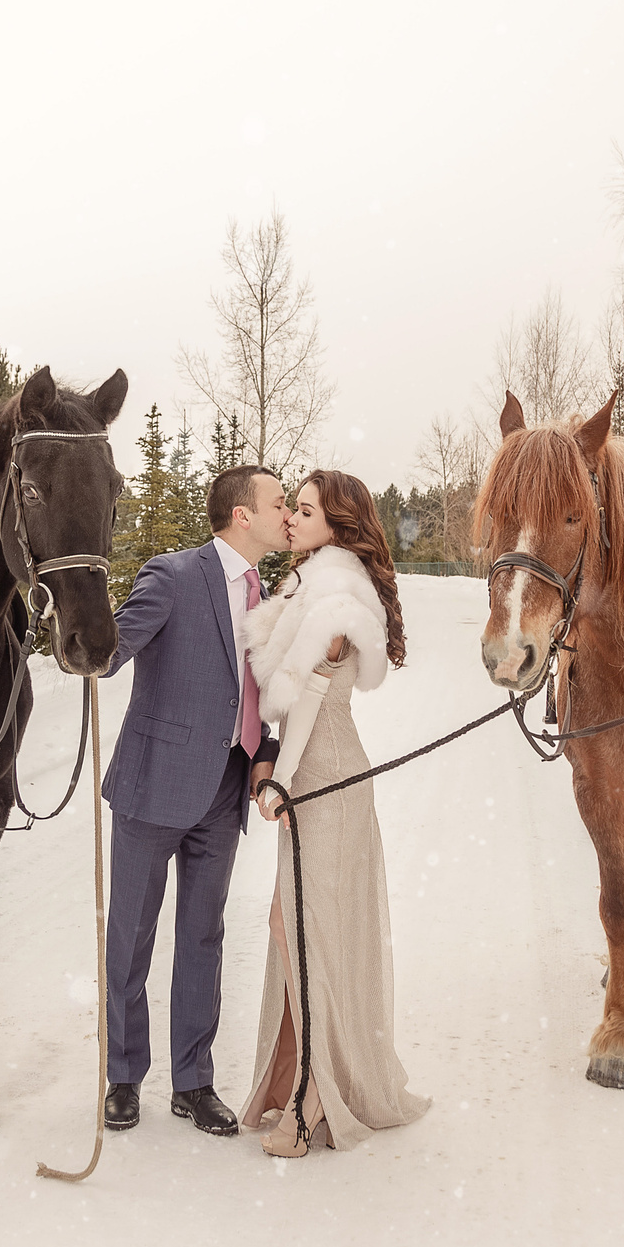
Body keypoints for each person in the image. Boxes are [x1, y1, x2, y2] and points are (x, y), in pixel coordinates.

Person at [240, 469, 431, 1158]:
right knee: (296, 927)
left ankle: (313, 1094)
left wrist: (282, 782)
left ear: (338, 525)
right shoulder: (310, 584)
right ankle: (304, 1075)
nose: (291, 517)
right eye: (292, 506)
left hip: (326, 781)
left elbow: (313, 697)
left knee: (309, 931)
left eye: (306, 510)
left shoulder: (335, 594)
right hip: (313, 779)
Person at [97, 463, 290, 1137]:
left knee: (204, 936)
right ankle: (124, 1077)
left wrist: (263, 756)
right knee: (131, 935)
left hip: (225, 787)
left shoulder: (267, 595)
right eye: (278, 502)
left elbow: (257, 691)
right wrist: (77, 618)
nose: (286, 513)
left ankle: (193, 1081)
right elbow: (109, 648)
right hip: (153, 783)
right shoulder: (174, 575)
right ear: (243, 515)